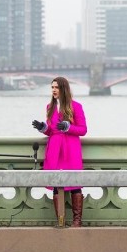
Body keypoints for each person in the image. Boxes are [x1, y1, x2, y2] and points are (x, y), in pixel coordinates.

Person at [32, 76, 87, 227]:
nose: (54, 90)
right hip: (55, 150)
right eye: (52, 87)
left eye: (56, 87)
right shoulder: (49, 107)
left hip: (71, 149)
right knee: (56, 184)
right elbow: (52, 131)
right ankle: (61, 221)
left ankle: (77, 221)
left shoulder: (76, 106)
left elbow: (83, 130)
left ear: (63, 88)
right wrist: (43, 128)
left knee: (75, 184)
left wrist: (68, 127)